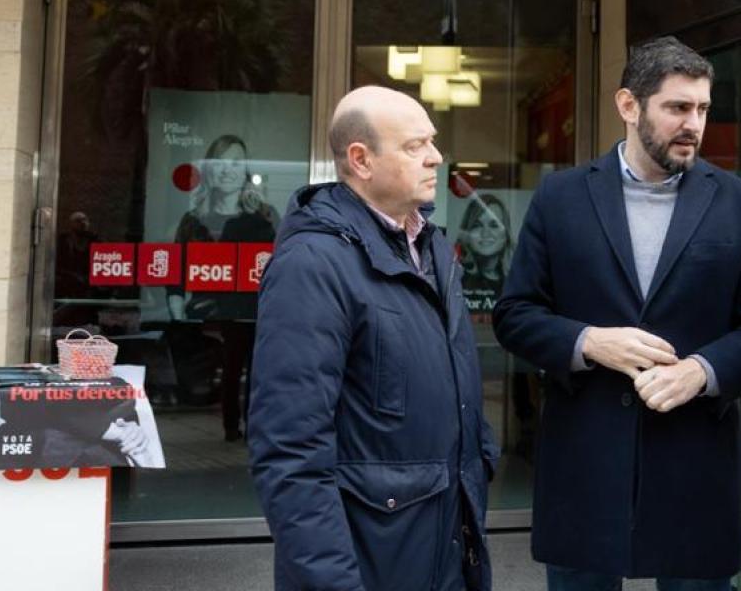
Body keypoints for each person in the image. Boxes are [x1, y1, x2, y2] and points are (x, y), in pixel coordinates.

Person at [494, 36, 741, 590]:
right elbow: (515, 313)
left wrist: (700, 373)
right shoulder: (560, 197)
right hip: (584, 466)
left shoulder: (739, 202)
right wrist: (589, 342)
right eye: (678, 108)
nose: (694, 124)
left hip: (693, 468)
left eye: (703, 109)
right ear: (629, 106)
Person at [249, 86, 497, 591]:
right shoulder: (312, 265)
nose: (435, 157)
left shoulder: (431, 246)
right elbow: (291, 454)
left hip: (445, 550)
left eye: (433, 141)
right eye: (413, 146)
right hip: (371, 565)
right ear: (360, 160)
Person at [168, 134, 278, 439]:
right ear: (209, 170)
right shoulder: (194, 219)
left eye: (236, 162)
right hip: (211, 314)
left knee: (259, 373)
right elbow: (177, 266)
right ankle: (231, 426)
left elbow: (280, 259)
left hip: (257, 307)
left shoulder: (265, 214)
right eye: (221, 162)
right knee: (230, 370)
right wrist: (177, 308)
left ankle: (253, 426)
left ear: (245, 170)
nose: (228, 169)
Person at [457, 193, 513, 315]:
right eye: (477, 225)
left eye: (494, 225)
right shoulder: (455, 280)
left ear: (506, 234)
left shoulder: (515, 284)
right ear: (467, 233)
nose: (486, 233)